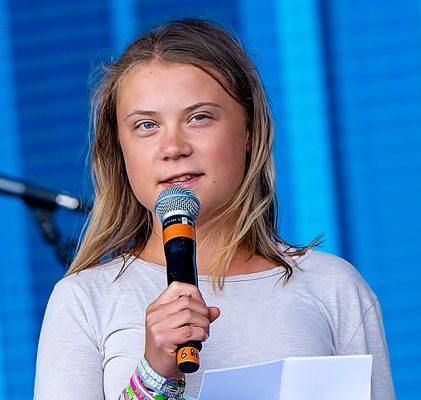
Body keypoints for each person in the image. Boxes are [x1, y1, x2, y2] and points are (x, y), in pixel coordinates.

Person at [34, 18, 395, 400]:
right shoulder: (84, 301)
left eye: (199, 117)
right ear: (119, 148)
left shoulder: (333, 287)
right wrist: (153, 376)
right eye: (146, 125)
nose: (173, 147)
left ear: (249, 131)